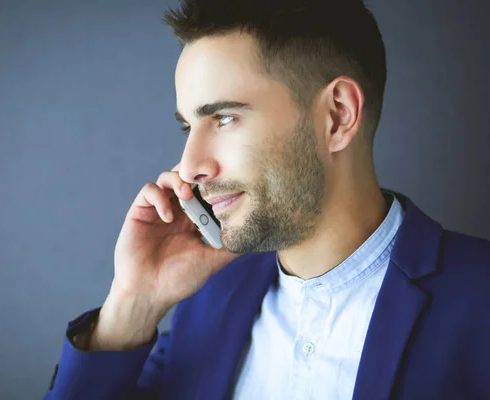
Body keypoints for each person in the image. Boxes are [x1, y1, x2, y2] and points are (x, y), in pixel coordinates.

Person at [44, 0, 490, 398]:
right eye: (188, 127)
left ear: (338, 116)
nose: (188, 167)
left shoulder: (478, 301)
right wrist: (134, 304)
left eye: (224, 118)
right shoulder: (205, 301)